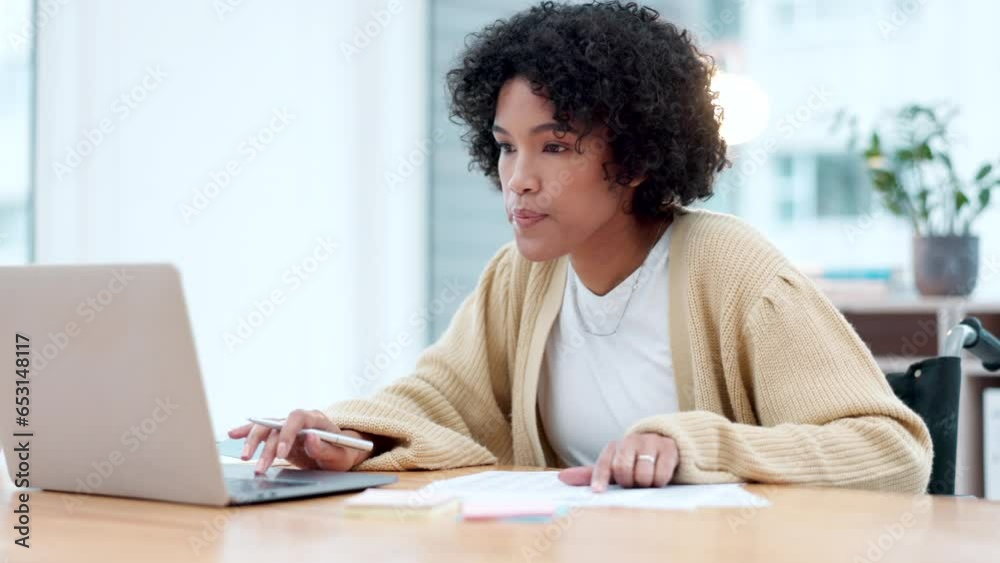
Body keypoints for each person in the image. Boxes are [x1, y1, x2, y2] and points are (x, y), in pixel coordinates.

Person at [229, 0, 932, 493]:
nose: (518, 179)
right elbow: (441, 401)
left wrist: (691, 445)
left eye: (555, 146)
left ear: (636, 156)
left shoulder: (733, 270)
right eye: (506, 147)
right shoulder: (519, 277)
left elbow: (890, 451)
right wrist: (346, 435)